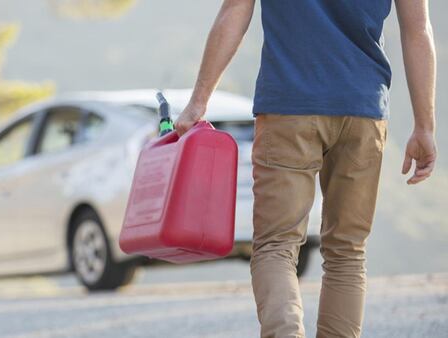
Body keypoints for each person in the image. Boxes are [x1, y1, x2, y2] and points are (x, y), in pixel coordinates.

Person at [174, 0, 437, 337]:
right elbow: (417, 29)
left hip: (288, 106)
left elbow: (234, 10)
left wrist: (198, 101)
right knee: (347, 252)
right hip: (362, 109)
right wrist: (424, 126)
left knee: (276, 245)